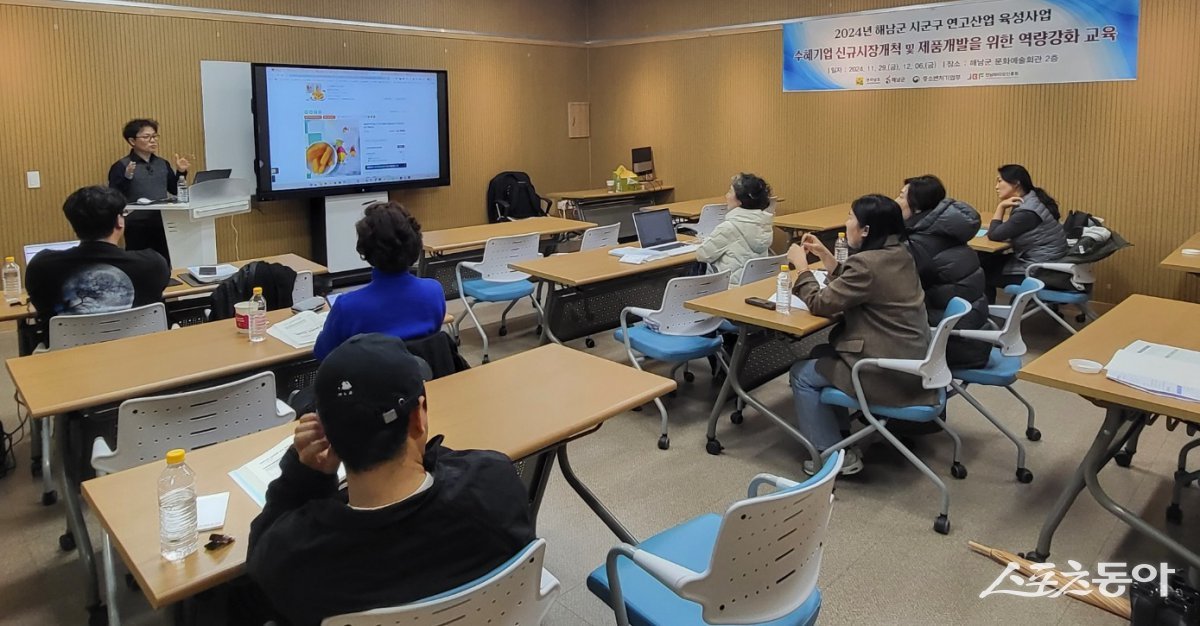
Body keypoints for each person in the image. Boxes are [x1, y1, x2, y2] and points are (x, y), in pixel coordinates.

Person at [247, 333, 535, 626]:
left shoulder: (296, 555)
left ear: (327, 437)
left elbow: (259, 559)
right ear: (418, 419)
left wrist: (304, 478)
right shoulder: (496, 484)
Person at [786, 195, 934, 476]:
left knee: (801, 374)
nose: (847, 223)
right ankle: (840, 432)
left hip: (884, 370)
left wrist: (802, 267)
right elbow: (862, 283)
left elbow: (820, 303)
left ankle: (830, 456)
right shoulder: (900, 253)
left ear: (866, 230)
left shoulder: (867, 263)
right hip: (911, 360)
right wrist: (827, 258)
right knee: (821, 354)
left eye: (851, 217)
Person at [25, 186, 170, 335]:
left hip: (68, 356)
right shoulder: (153, 264)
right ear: (119, 221)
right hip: (136, 353)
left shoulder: (41, 266)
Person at [313, 202, 447, 360]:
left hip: (368, 384)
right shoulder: (434, 292)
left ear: (365, 250)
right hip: (421, 379)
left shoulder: (347, 307)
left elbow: (322, 353)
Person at [898, 175, 990, 370]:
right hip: (975, 338)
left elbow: (886, 288)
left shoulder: (920, 244)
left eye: (900, 197)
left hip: (952, 345)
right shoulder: (944, 233)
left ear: (918, 207)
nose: (896, 202)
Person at [107, 119, 190, 264]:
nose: (153, 141)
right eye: (146, 137)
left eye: (155, 136)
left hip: (164, 221)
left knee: (165, 263)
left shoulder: (162, 163)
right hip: (137, 225)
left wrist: (181, 172)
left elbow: (174, 189)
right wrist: (127, 177)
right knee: (139, 264)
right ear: (132, 141)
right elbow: (114, 197)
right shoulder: (121, 166)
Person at [982, 164, 1068, 303]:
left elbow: (994, 235)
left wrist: (1001, 207)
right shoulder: (1032, 200)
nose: (996, 186)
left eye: (999, 181)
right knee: (984, 260)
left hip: (1038, 270)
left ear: (1016, 184)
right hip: (1046, 262)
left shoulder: (1027, 212)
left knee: (981, 272)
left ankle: (983, 317)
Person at [694, 173, 774, 285]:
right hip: (753, 287)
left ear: (740, 200)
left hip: (726, 289)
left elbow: (702, 255)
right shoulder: (764, 225)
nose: (726, 195)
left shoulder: (728, 228)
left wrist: (707, 240)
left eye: (730, 192)